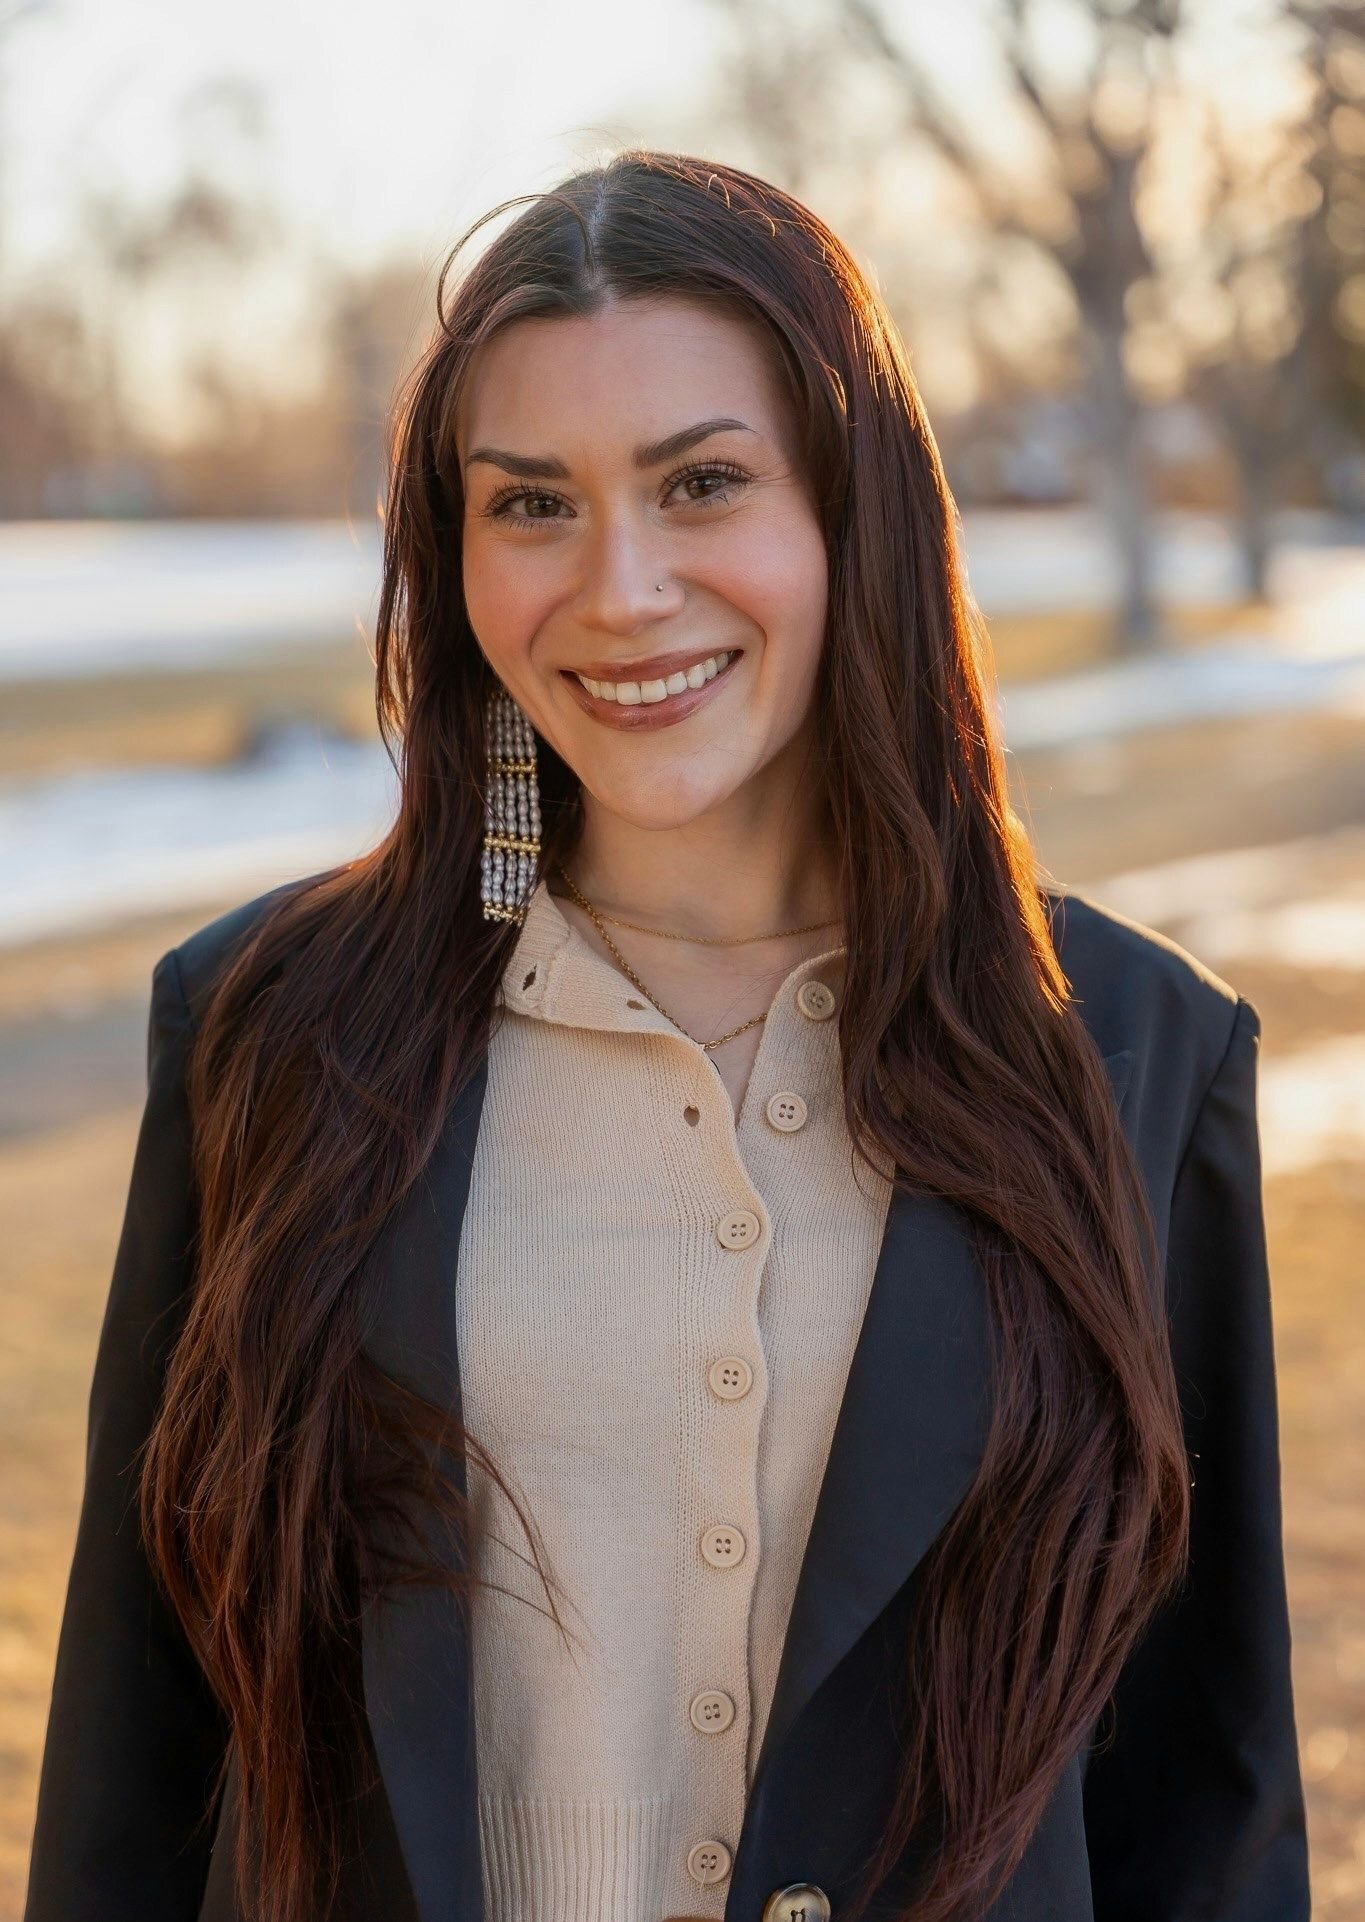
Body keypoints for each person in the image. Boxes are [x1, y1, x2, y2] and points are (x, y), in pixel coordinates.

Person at [23, 149, 1309, 1922]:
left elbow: (1205, 1792)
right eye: (530, 504)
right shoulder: (267, 1031)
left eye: (702, 482)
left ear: (851, 512)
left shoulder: (1137, 1057)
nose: (618, 588)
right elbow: (133, 1766)